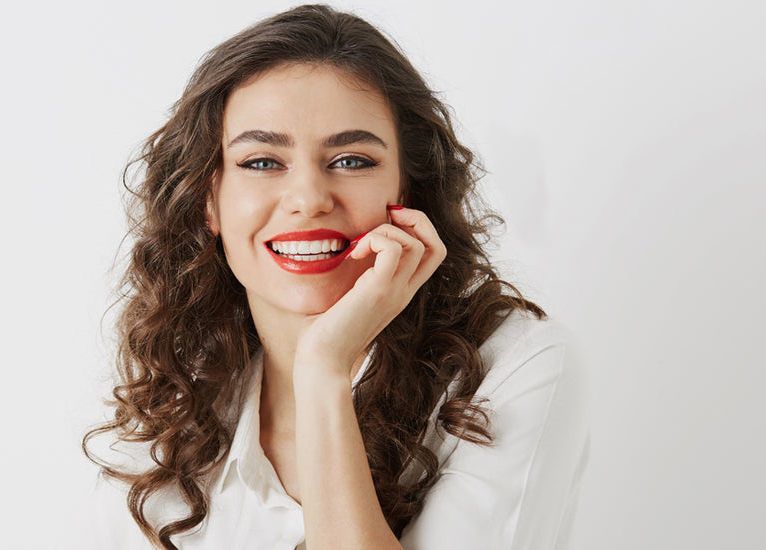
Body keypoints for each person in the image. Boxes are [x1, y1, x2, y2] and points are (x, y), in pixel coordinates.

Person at [85, 4, 589, 549]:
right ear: (209, 201)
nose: (308, 200)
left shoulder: (515, 369)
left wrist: (323, 371)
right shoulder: (166, 413)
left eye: (351, 160)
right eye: (260, 162)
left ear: (409, 193)